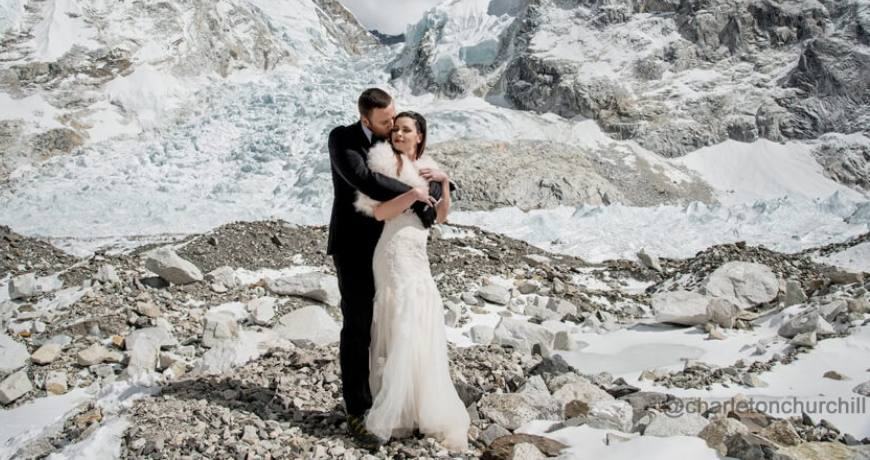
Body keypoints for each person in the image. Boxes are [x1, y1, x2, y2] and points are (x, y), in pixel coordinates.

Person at [326, 88, 439, 449]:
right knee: (359, 326)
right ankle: (358, 411)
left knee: (396, 323)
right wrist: (415, 197)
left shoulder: (390, 142)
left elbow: (417, 164)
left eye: (394, 117)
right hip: (355, 247)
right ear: (365, 119)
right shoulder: (342, 139)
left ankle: (399, 403)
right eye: (385, 121)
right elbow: (365, 180)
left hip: (390, 246)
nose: (392, 126)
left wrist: (438, 185)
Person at [354, 111, 469, 452]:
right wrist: (413, 195)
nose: (399, 134)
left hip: (418, 254)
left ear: (420, 136)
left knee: (420, 321)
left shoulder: (429, 168)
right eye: (395, 129)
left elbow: (441, 217)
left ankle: (419, 406)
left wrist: (444, 183)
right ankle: (397, 410)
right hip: (392, 251)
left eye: (406, 130)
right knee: (400, 323)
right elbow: (378, 212)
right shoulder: (383, 164)